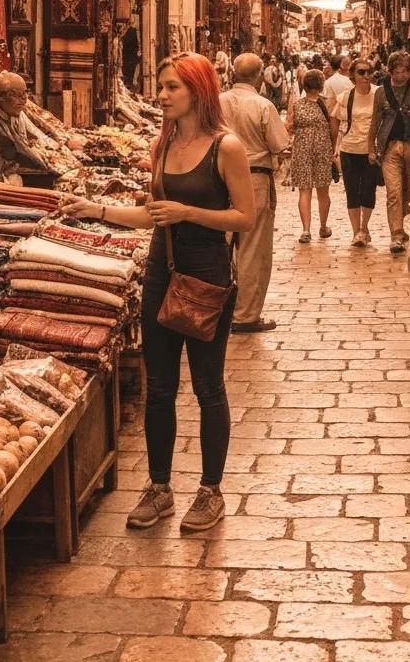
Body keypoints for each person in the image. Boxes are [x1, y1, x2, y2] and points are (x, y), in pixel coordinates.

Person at [64, 53, 255, 533]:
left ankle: (210, 491)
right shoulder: (162, 143)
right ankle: (159, 487)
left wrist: (189, 213)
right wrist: (96, 210)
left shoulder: (225, 147)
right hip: (161, 270)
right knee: (160, 388)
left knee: (209, 387)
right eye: (162, 86)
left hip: (208, 272)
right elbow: (153, 213)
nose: (162, 95)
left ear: (199, 91)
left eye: (172, 88)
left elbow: (244, 218)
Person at [219, 53, 289, 333]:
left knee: (219, 244)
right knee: (252, 247)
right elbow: (278, 143)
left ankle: (214, 307)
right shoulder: (263, 105)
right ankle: (245, 314)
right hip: (253, 178)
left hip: (219, 178)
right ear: (260, 75)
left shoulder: (218, 102)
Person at [367, 51, 410, 256]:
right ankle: (396, 234)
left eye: (404, 72)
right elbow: (375, 119)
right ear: (390, 71)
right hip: (390, 146)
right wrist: (371, 147)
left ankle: (404, 226)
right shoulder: (382, 92)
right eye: (396, 72)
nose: (400, 76)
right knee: (393, 191)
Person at [287, 69, 338, 244]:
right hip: (322, 149)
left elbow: (289, 126)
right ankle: (323, 227)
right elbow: (333, 130)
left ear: (305, 85)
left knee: (304, 191)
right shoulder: (327, 104)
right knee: (323, 191)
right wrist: (332, 150)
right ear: (321, 85)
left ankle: (306, 230)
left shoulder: (297, 105)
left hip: (302, 149)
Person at [332, 59, 378, 247]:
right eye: (361, 72)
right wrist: (335, 144)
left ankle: (364, 227)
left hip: (370, 150)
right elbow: (334, 119)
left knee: (368, 189)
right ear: (353, 75)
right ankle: (355, 231)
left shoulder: (379, 94)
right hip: (349, 149)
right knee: (352, 190)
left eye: (368, 72)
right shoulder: (345, 97)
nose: (366, 76)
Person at [0, 71, 51, 183]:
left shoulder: (17, 113)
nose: (23, 100)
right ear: (1, 97)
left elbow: (38, 138)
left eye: (25, 94)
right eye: (15, 95)